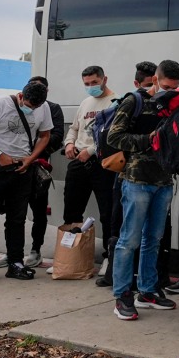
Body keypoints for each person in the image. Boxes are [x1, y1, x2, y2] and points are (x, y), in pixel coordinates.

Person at [107, 60, 179, 320]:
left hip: (163, 182)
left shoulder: (174, 104)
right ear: (156, 79)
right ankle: (122, 294)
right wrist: (147, 141)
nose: (170, 91)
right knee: (129, 240)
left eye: (175, 87)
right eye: (166, 85)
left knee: (154, 239)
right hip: (137, 180)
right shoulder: (134, 102)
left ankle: (148, 291)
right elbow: (113, 137)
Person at [0, 80, 54, 286]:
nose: (32, 110)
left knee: (17, 219)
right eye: (29, 105)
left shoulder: (44, 107)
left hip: (23, 168)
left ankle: (15, 262)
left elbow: (45, 135)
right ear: (21, 96)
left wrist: (31, 158)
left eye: (36, 107)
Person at [62, 65, 118, 276]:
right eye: (87, 84)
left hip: (103, 164)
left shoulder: (116, 101)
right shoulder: (85, 102)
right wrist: (69, 144)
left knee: (108, 212)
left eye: (94, 82)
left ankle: (108, 258)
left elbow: (112, 135)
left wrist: (91, 151)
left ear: (104, 79)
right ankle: (69, 256)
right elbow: (74, 128)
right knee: (72, 211)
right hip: (78, 161)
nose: (91, 87)